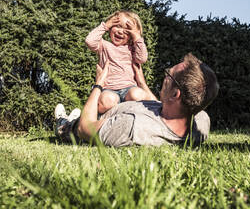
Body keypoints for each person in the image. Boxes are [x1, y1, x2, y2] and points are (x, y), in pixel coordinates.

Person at [54, 53, 219, 147]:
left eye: (169, 74)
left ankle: (64, 122)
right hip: (124, 110)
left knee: (72, 125)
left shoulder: (132, 128)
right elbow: (164, 108)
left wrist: (98, 84)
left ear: (176, 94)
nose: (165, 76)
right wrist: (141, 83)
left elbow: (85, 128)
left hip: (88, 124)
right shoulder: (201, 119)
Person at [85, 10, 151, 114]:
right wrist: (105, 25)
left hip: (129, 89)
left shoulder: (133, 49)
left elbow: (142, 58)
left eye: (127, 30)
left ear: (132, 35)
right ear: (111, 28)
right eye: (118, 26)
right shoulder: (104, 45)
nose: (120, 31)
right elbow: (90, 41)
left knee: (138, 94)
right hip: (108, 89)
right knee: (107, 101)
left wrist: (137, 37)